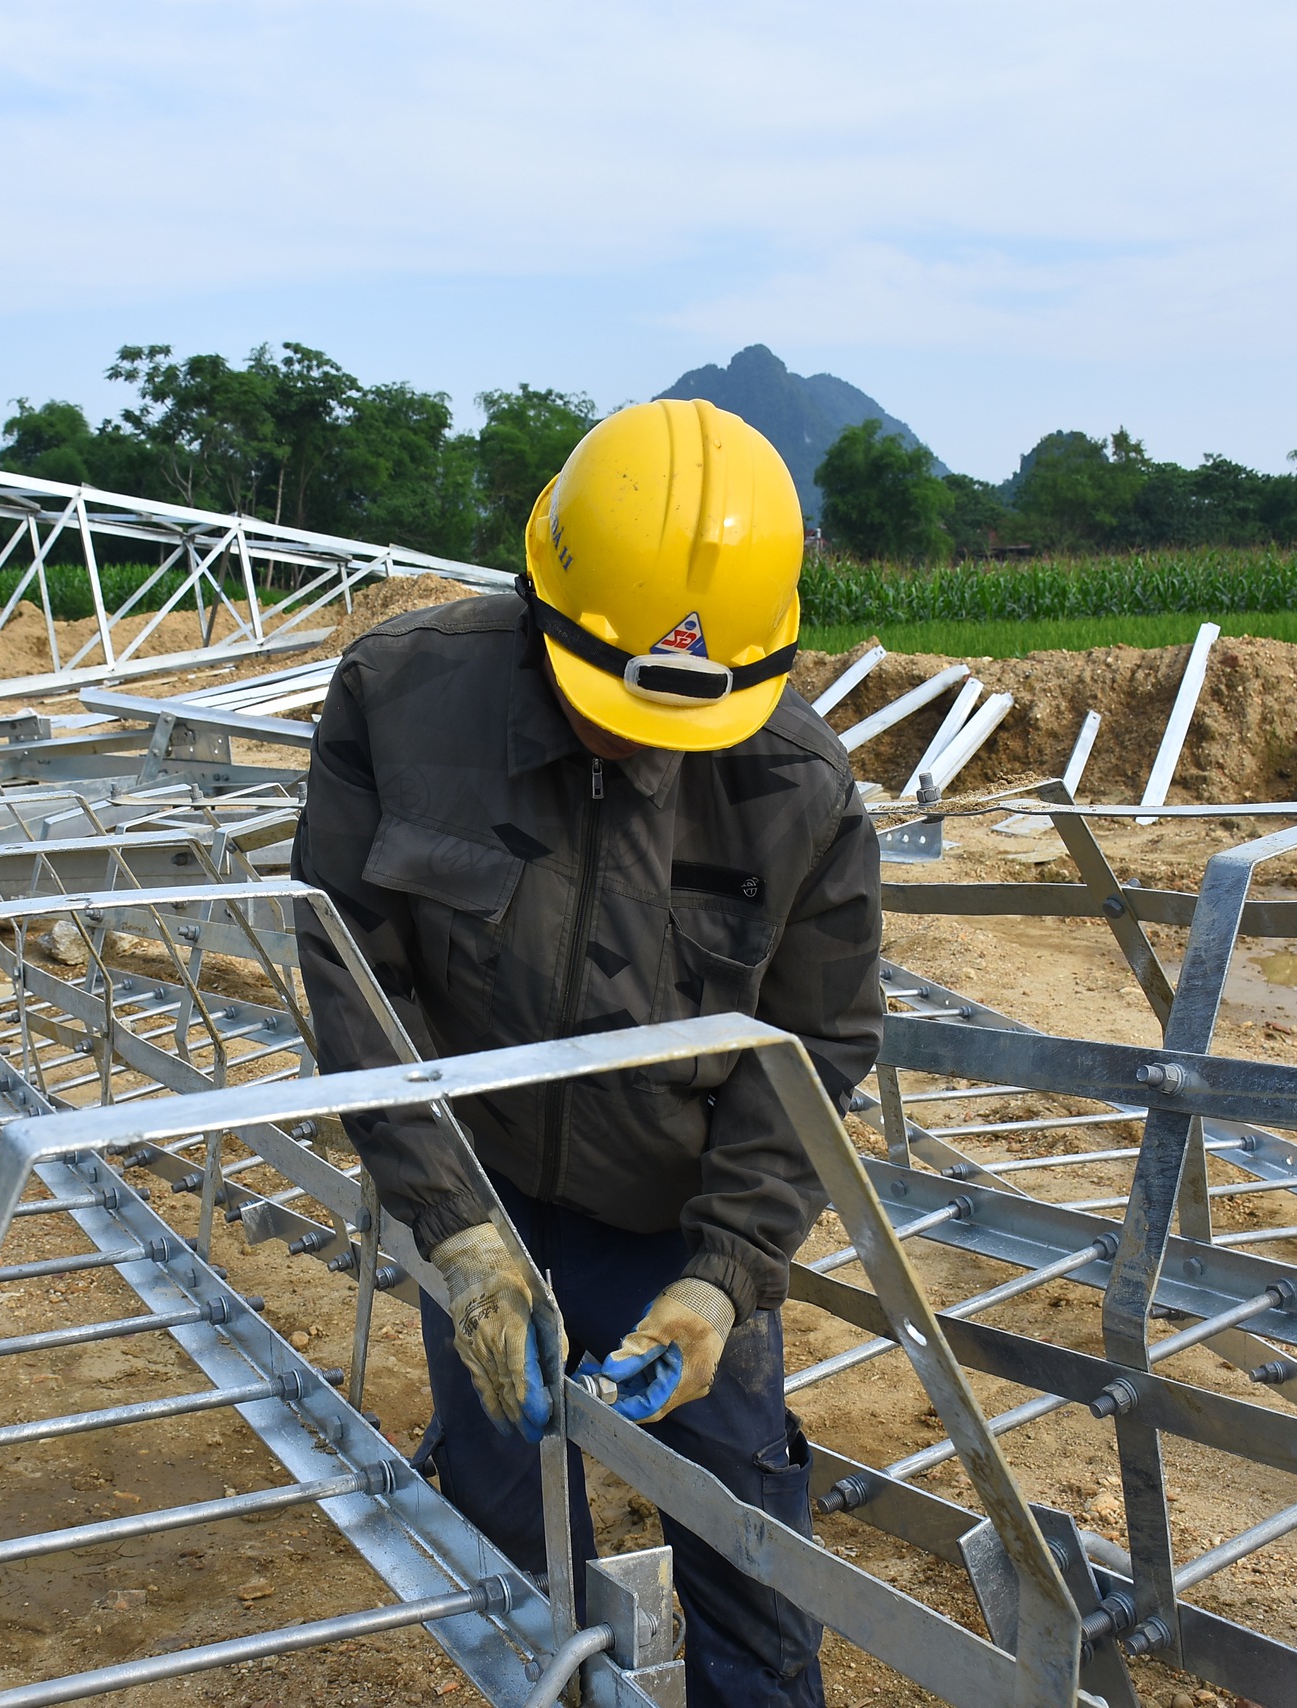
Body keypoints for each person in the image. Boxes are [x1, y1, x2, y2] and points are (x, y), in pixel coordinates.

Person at [295, 398, 882, 1707]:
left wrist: (725, 1276)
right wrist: (457, 1232)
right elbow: (357, 981)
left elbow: (816, 1041)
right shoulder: (401, 703)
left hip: (675, 1217)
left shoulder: (798, 789)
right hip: (484, 1190)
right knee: (502, 1515)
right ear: (542, 604)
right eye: (614, 704)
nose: (642, 741)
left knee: (744, 1535)